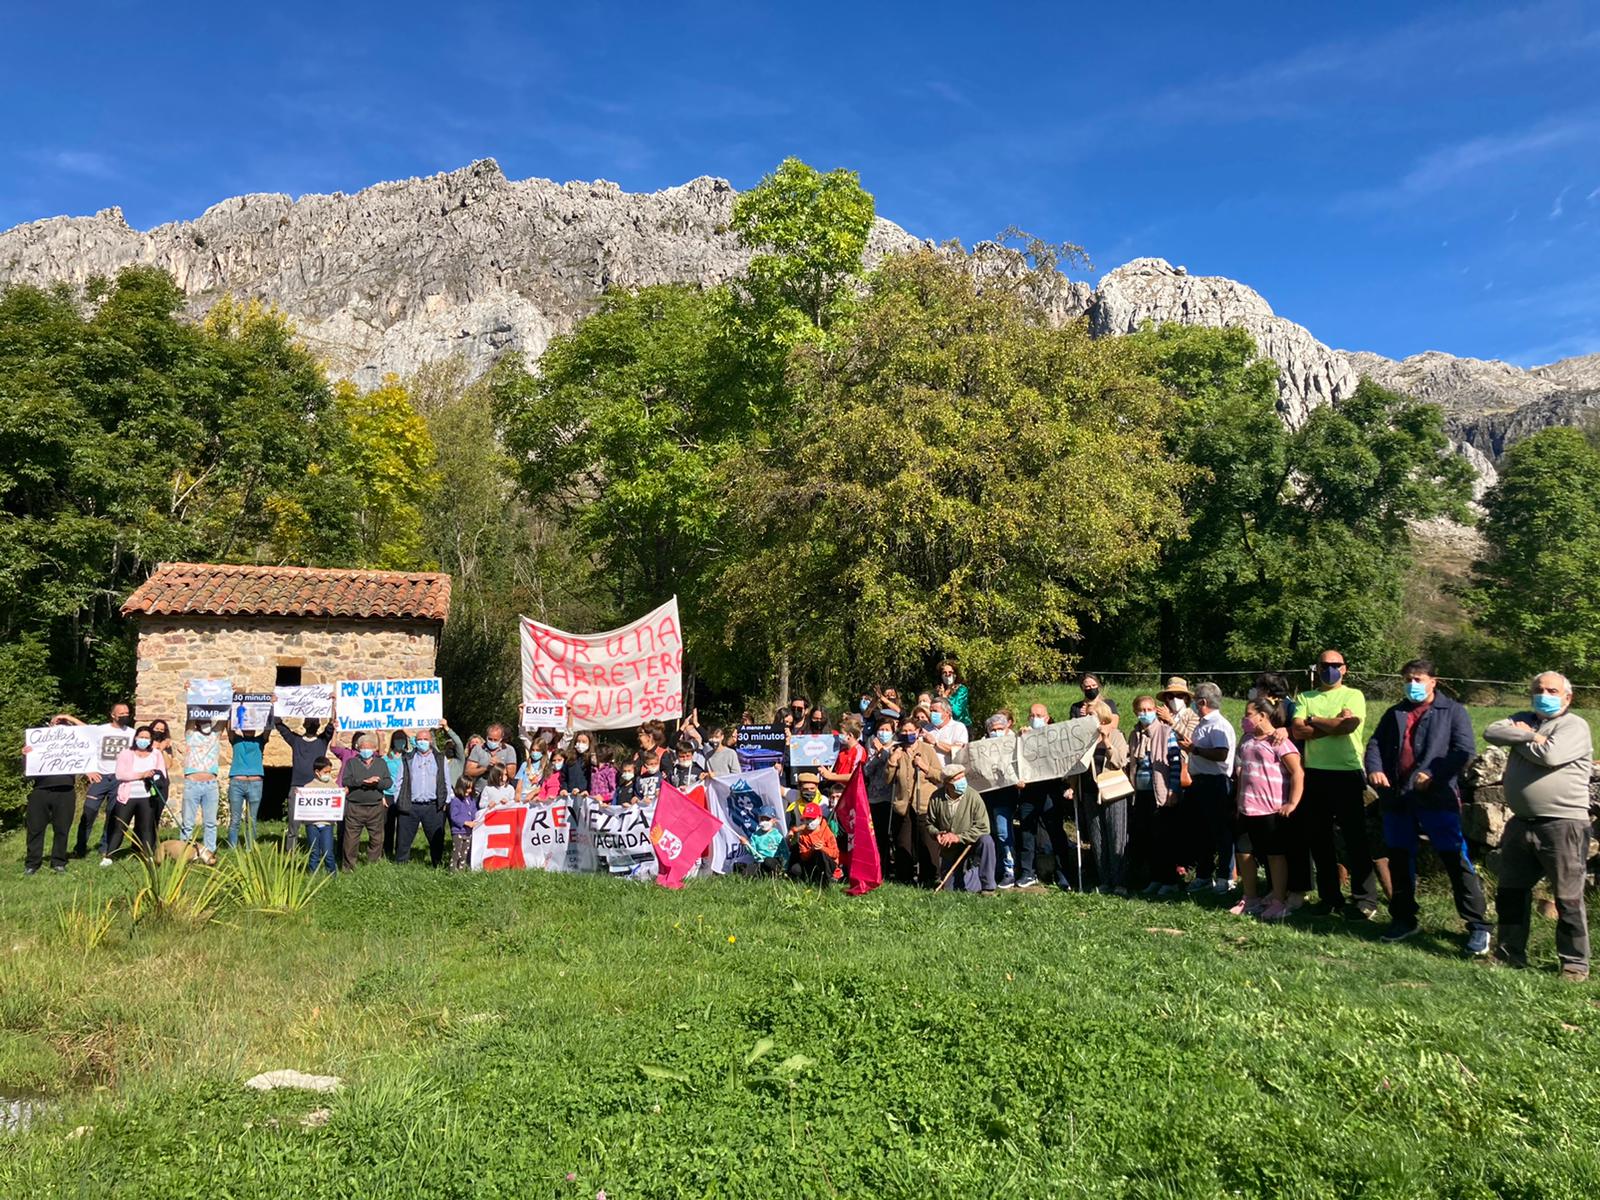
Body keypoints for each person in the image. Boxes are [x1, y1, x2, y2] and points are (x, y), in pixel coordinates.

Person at [1364, 659, 1489, 952]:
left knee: (1455, 859)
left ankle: (1478, 925)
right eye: (1408, 679)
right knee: (1399, 859)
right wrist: (1374, 768)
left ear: (1434, 681)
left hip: (1437, 799)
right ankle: (1404, 919)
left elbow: (1463, 751)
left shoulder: (1453, 712)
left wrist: (1434, 775)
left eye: (1418, 679)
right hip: (1397, 798)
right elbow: (1375, 744)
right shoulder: (1395, 712)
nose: (1412, 684)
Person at [1484, 673, 1593, 982]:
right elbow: (1491, 731)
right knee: (1511, 891)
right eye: (1538, 690)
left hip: (1563, 823)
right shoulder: (1524, 719)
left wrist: (1518, 737)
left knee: (1568, 897)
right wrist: (1531, 736)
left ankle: (1574, 965)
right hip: (1521, 822)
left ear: (1567, 697)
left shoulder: (1575, 726)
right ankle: (1508, 954)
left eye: (1552, 690)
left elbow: (1552, 755)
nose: (1544, 694)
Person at [1290, 650, 1378, 918]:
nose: (1330, 669)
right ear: (1317, 668)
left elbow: (1348, 727)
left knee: (1355, 838)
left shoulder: (1354, 695)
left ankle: (1365, 900)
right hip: (1315, 774)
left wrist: (1314, 720)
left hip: (1348, 772)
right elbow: (1297, 731)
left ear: (1345, 669)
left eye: (1335, 665)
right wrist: (1333, 723)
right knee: (1320, 840)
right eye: (1325, 665)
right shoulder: (1305, 697)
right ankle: (1330, 898)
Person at [1231, 699, 1303, 920]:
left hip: (1271, 809)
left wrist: (1292, 803)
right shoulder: (1247, 741)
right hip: (1246, 808)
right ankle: (1250, 897)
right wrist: (1237, 800)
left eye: (1248, 714)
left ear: (1262, 715)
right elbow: (1242, 772)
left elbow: (1297, 773)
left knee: (1275, 856)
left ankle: (1278, 900)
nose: (1245, 718)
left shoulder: (1280, 742)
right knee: (1244, 853)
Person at [1176, 682, 1237, 895]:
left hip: (1216, 782)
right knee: (1202, 832)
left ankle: (1225, 877)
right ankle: (1204, 875)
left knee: (1220, 832)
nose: (1193, 704)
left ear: (1202, 702)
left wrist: (1195, 749)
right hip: (1200, 782)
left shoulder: (1218, 725)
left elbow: (1221, 753)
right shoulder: (1202, 724)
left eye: (1194, 701)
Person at [1069, 701, 1131, 894]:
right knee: (1097, 838)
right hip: (1089, 793)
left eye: (1092, 715)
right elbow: (1074, 767)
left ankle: (1119, 882)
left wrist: (1107, 742)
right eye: (1086, 715)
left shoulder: (1117, 735)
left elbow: (1121, 761)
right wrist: (1072, 786)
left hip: (1113, 792)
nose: (1088, 718)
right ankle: (1104, 880)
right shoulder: (1082, 739)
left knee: (1116, 837)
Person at [1125, 696, 1182, 896]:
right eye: (1142, 710)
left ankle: (1170, 880)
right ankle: (1156, 878)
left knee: (1164, 838)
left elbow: (1175, 762)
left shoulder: (1166, 733)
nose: (1145, 713)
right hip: (1141, 792)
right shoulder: (1135, 735)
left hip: (1162, 792)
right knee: (1147, 837)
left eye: (1149, 709)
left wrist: (1173, 789)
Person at [67, 701, 133, 860]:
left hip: (119, 779)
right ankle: (80, 848)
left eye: (127, 713)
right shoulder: (101, 730)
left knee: (112, 815)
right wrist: (67, 717)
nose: (124, 715)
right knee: (88, 813)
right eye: (121, 713)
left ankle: (105, 847)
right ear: (113, 715)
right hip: (100, 778)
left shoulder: (132, 733)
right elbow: (83, 730)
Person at [892, 715, 945, 887]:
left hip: (924, 804)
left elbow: (940, 776)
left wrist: (924, 767)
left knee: (927, 842)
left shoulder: (927, 750)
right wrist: (892, 762)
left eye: (911, 731)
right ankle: (904, 878)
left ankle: (930, 877)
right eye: (904, 731)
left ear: (918, 731)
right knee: (903, 844)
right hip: (903, 805)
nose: (907, 734)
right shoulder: (897, 750)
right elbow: (887, 780)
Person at [21, 717, 78, 874]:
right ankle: (32, 863)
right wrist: (26, 756)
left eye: (63, 727)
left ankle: (58, 862)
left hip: (66, 791)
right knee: (35, 828)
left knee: (62, 828)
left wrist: (68, 717)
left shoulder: (74, 746)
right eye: (56, 726)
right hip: (41, 790)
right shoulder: (38, 744)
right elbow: (27, 774)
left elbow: (90, 734)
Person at [103, 725, 167, 863]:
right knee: (119, 827)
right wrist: (141, 775)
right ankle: (109, 856)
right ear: (136, 738)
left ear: (151, 740)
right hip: (128, 796)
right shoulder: (126, 753)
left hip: (147, 796)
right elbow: (120, 774)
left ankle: (148, 856)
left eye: (146, 738)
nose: (143, 740)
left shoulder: (156, 754)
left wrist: (154, 776)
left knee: (146, 828)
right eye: (141, 737)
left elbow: (162, 773)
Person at [274, 714, 335, 854]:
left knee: (318, 822)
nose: (312, 726)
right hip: (298, 788)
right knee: (293, 823)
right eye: (310, 724)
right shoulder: (296, 740)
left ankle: (318, 850)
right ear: (304, 725)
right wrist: (275, 706)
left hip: (317, 787)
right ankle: (290, 852)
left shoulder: (322, 741)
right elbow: (280, 726)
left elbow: (331, 725)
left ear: (319, 726)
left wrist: (333, 703)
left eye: (314, 724)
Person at [931, 764, 995, 894]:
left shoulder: (974, 796)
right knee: (951, 889)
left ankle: (987, 885)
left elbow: (984, 827)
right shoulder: (936, 798)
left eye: (963, 777)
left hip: (971, 844)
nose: (962, 781)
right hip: (951, 849)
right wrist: (937, 833)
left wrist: (958, 837)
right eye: (957, 779)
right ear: (948, 783)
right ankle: (972, 876)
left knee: (987, 841)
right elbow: (929, 824)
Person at [978, 712, 1024, 888]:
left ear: (1007, 728)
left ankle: (1009, 870)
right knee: (991, 832)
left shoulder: (1015, 743)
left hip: (1006, 795)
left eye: (1000, 729)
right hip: (988, 794)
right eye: (993, 729)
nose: (996, 732)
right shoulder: (981, 746)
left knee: (1003, 832)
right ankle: (995, 868)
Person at [395, 726, 449, 866]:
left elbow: (446, 781)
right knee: (403, 839)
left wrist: (446, 801)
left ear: (431, 741)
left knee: (436, 840)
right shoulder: (407, 758)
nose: (422, 742)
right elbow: (399, 781)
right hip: (410, 805)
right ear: (415, 742)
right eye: (419, 739)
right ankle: (400, 866)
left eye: (425, 739)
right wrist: (398, 800)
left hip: (433, 806)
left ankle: (437, 864)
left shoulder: (440, 758)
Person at [339, 734, 392, 870]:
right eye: (363, 748)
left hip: (375, 807)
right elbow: (346, 781)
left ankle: (373, 865)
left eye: (369, 748)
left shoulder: (381, 763)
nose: (366, 750)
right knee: (351, 839)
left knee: (377, 838)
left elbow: (388, 782)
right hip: (355, 807)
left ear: (374, 748)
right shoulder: (352, 763)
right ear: (358, 748)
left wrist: (377, 783)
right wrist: (362, 782)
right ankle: (348, 867)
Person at [862, 717, 904, 876]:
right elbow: (867, 770)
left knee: (891, 835)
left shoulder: (897, 747)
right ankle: (879, 868)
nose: (883, 733)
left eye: (887, 730)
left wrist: (882, 752)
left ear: (893, 732)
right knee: (878, 835)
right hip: (873, 797)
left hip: (890, 797)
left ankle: (892, 868)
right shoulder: (872, 746)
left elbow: (892, 765)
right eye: (881, 729)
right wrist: (877, 755)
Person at [180, 716, 222, 859]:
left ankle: (209, 852)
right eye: (203, 721)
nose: (207, 724)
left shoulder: (215, 736)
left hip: (211, 785)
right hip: (192, 784)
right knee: (188, 822)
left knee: (210, 822)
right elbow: (190, 715)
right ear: (197, 724)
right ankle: (185, 852)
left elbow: (223, 719)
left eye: (209, 721)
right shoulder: (191, 735)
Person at [226, 721, 270, 849]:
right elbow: (229, 728)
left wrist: (271, 707)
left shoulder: (260, 740)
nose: (249, 730)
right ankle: (232, 848)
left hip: (255, 783)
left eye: (252, 727)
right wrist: (230, 709)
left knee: (251, 819)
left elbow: (268, 726)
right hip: (237, 783)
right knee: (235, 819)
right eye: (246, 728)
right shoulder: (236, 740)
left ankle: (250, 848)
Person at [787, 801, 840, 884]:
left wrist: (823, 848)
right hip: (811, 862)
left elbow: (835, 854)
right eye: (806, 819)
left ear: (819, 818)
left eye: (812, 819)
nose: (809, 822)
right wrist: (811, 849)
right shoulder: (803, 836)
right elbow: (803, 857)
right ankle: (811, 879)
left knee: (820, 853)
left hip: (829, 864)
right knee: (795, 869)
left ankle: (827, 881)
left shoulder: (827, 832)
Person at [304, 756, 340, 875]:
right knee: (314, 852)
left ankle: (332, 874)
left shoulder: (334, 786)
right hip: (312, 825)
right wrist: (300, 795)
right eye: (326, 772)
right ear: (317, 772)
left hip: (327, 824)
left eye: (330, 772)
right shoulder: (308, 787)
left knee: (328, 852)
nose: (328, 774)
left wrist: (342, 793)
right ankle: (312, 875)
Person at [465, 722, 519, 798]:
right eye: (490, 739)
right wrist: (486, 768)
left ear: (501, 738)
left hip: (502, 794)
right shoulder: (478, 749)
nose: (492, 742)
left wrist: (499, 764)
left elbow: (512, 775)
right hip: (480, 792)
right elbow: (468, 771)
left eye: (495, 740)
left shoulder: (509, 750)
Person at [820, 714, 868, 786]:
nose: (839, 736)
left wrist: (830, 776)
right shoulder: (842, 751)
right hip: (839, 787)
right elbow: (839, 773)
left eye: (842, 734)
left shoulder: (859, 751)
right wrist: (827, 773)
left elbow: (854, 775)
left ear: (850, 735)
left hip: (851, 789)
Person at [448, 777, 479, 872]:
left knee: (464, 853)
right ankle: (453, 870)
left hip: (468, 832)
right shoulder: (456, 801)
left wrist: (476, 820)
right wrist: (465, 822)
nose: (469, 790)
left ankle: (461, 870)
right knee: (457, 852)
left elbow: (474, 812)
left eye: (471, 788)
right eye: (467, 788)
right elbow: (454, 816)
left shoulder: (471, 800)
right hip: (458, 832)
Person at [927, 697, 968, 765]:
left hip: (949, 772)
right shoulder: (927, 728)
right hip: (930, 772)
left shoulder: (958, 727)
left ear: (947, 713)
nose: (932, 714)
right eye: (931, 711)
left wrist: (936, 742)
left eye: (935, 711)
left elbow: (959, 751)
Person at [934, 661, 971, 727]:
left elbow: (957, 712)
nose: (947, 674)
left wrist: (945, 698)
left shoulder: (961, 689)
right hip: (944, 727)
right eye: (944, 673)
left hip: (962, 725)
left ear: (955, 674)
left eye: (950, 672)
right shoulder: (937, 691)